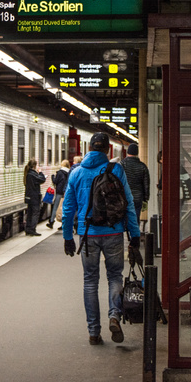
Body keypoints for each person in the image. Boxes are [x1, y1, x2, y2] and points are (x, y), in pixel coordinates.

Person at [62, 133, 142, 346]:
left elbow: (68, 208)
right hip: (114, 232)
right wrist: (134, 234)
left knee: (90, 281)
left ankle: (93, 333)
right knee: (115, 276)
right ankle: (114, 315)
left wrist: (68, 237)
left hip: (88, 235)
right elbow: (129, 204)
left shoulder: (76, 173)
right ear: (107, 150)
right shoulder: (116, 170)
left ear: (89, 148)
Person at [121, 143, 151, 234]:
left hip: (124, 197)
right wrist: (146, 198)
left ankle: (125, 233)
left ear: (128, 152)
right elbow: (146, 184)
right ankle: (134, 240)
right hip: (137, 197)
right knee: (135, 218)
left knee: (123, 216)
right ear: (137, 153)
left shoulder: (122, 164)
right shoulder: (142, 166)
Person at [23, 159, 45, 236]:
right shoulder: (33, 174)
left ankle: (28, 229)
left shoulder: (27, 173)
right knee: (35, 213)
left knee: (29, 213)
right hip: (34, 197)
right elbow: (42, 179)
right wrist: (40, 172)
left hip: (29, 196)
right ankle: (32, 229)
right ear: (35, 166)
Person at [47, 159, 70, 229]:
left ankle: (51, 221)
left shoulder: (60, 172)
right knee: (64, 208)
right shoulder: (69, 172)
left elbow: (55, 181)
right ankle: (63, 223)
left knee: (56, 207)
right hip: (66, 192)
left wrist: (52, 177)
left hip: (59, 192)